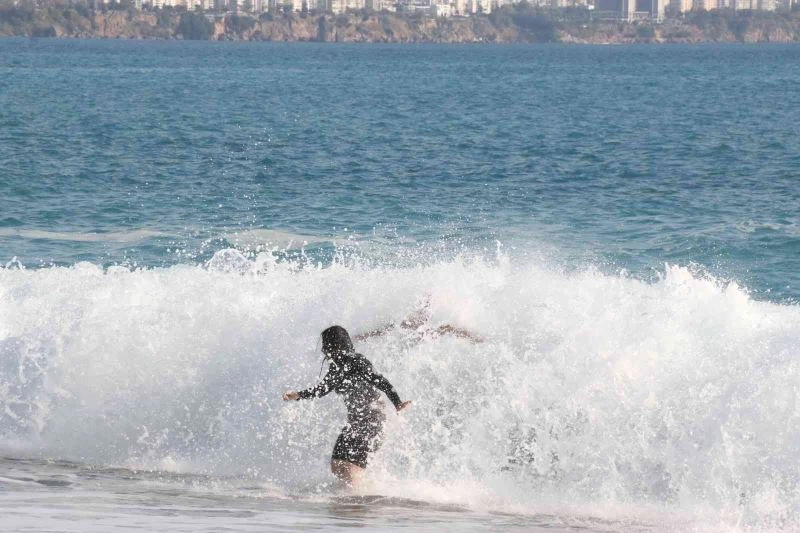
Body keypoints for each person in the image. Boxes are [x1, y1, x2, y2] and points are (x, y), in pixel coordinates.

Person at [283, 325, 411, 486]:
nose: (323, 350)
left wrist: (397, 402)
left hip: (371, 422)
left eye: (326, 345)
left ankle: (359, 497)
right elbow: (323, 389)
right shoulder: (337, 366)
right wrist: (298, 395)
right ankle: (355, 495)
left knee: (350, 468)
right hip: (355, 423)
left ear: (337, 345)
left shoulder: (358, 361)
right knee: (337, 464)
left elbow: (381, 381)